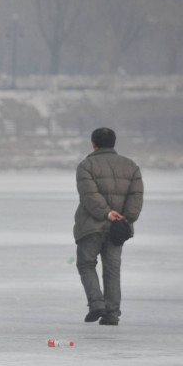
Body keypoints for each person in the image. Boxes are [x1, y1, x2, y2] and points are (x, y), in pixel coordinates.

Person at [74, 128, 144, 326]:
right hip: (118, 228)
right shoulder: (131, 166)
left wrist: (106, 213)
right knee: (112, 269)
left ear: (93, 143)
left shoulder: (86, 166)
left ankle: (97, 303)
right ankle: (112, 313)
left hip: (91, 226)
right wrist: (126, 218)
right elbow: (136, 196)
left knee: (86, 264)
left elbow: (89, 195)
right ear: (113, 143)